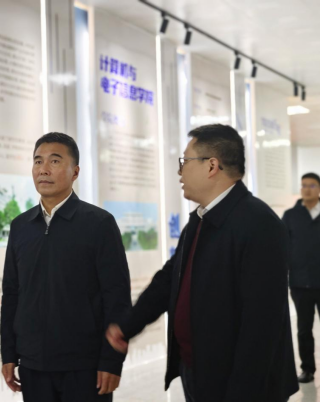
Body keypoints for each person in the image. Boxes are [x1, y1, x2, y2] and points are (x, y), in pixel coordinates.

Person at [106, 124, 299, 401]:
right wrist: (128, 325)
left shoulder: (259, 224)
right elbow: (170, 280)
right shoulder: (201, 220)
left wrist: (241, 395)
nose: (180, 171)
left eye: (185, 161)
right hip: (199, 370)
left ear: (211, 166)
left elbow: (262, 326)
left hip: (239, 383)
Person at [0, 132, 131, 402]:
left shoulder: (99, 224)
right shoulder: (21, 226)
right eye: (38, 161)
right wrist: (8, 354)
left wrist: (111, 361)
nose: (43, 169)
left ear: (75, 172)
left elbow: (116, 297)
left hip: (85, 365)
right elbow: (11, 294)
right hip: (33, 364)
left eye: (55, 161)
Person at [282, 173, 320, 385]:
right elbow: (283, 247)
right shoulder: (290, 216)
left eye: (312, 185)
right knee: (303, 329)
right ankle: (307, 370)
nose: (307, 189)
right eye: (304, 185)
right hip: (300, 283)